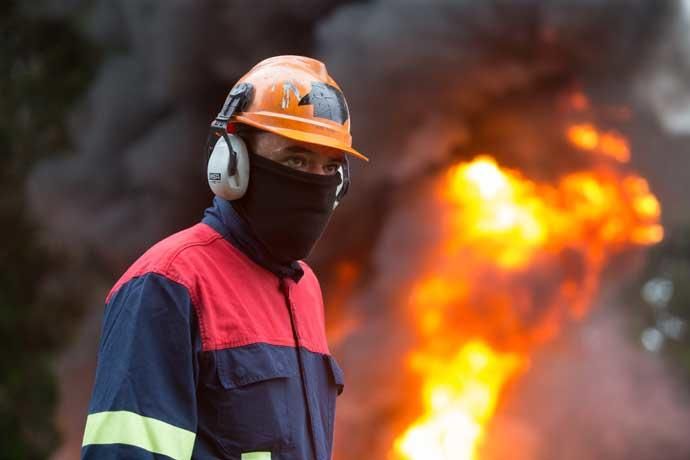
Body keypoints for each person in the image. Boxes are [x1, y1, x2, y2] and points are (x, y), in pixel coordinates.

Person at [80, 55, 368, 460]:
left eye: (330, 167)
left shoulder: (306, 289)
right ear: (232, 161)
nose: (314, 181)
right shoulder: (168, 282)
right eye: (295, 159)